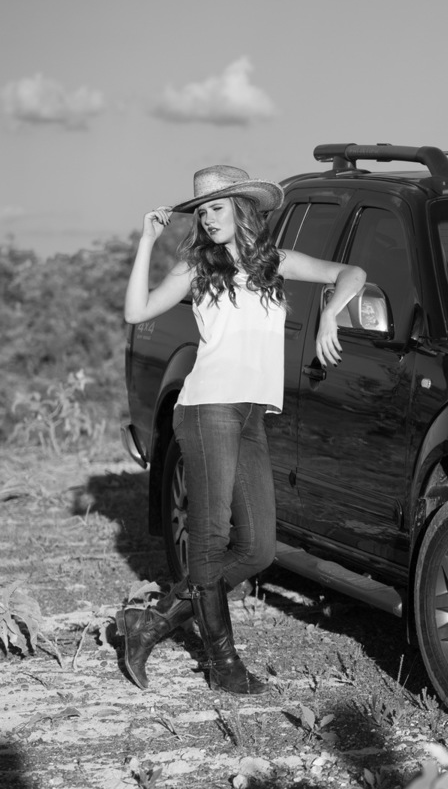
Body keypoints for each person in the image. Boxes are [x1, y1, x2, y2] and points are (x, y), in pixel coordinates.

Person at [117, 165, 366, 694]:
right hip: (207, 408)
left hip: (252, 413)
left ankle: (152, 623)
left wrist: (330, 312)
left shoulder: (275, 263)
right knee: (210, 539)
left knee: (257, 549)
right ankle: (224, 664)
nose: (208, 218)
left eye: (216, 207)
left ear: (241, 208)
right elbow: (136, 310)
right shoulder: (196, 268)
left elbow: (352, 273)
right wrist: (146, 242)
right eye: (201, 210)